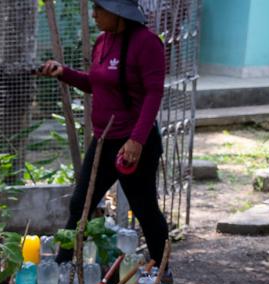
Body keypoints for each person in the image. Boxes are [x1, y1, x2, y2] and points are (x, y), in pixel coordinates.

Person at [37, 0, 171, 270]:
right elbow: (95, 84)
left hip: (134, 145)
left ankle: (161, 270)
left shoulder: (147, 43)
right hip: (104, 142)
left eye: (99, 8)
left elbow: (154, 93)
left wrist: (137, 140)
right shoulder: (102, 41)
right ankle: (64, 266)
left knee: (144, 208)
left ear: (119, 12)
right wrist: (64, 73)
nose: (94, 14)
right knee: (81, 203)